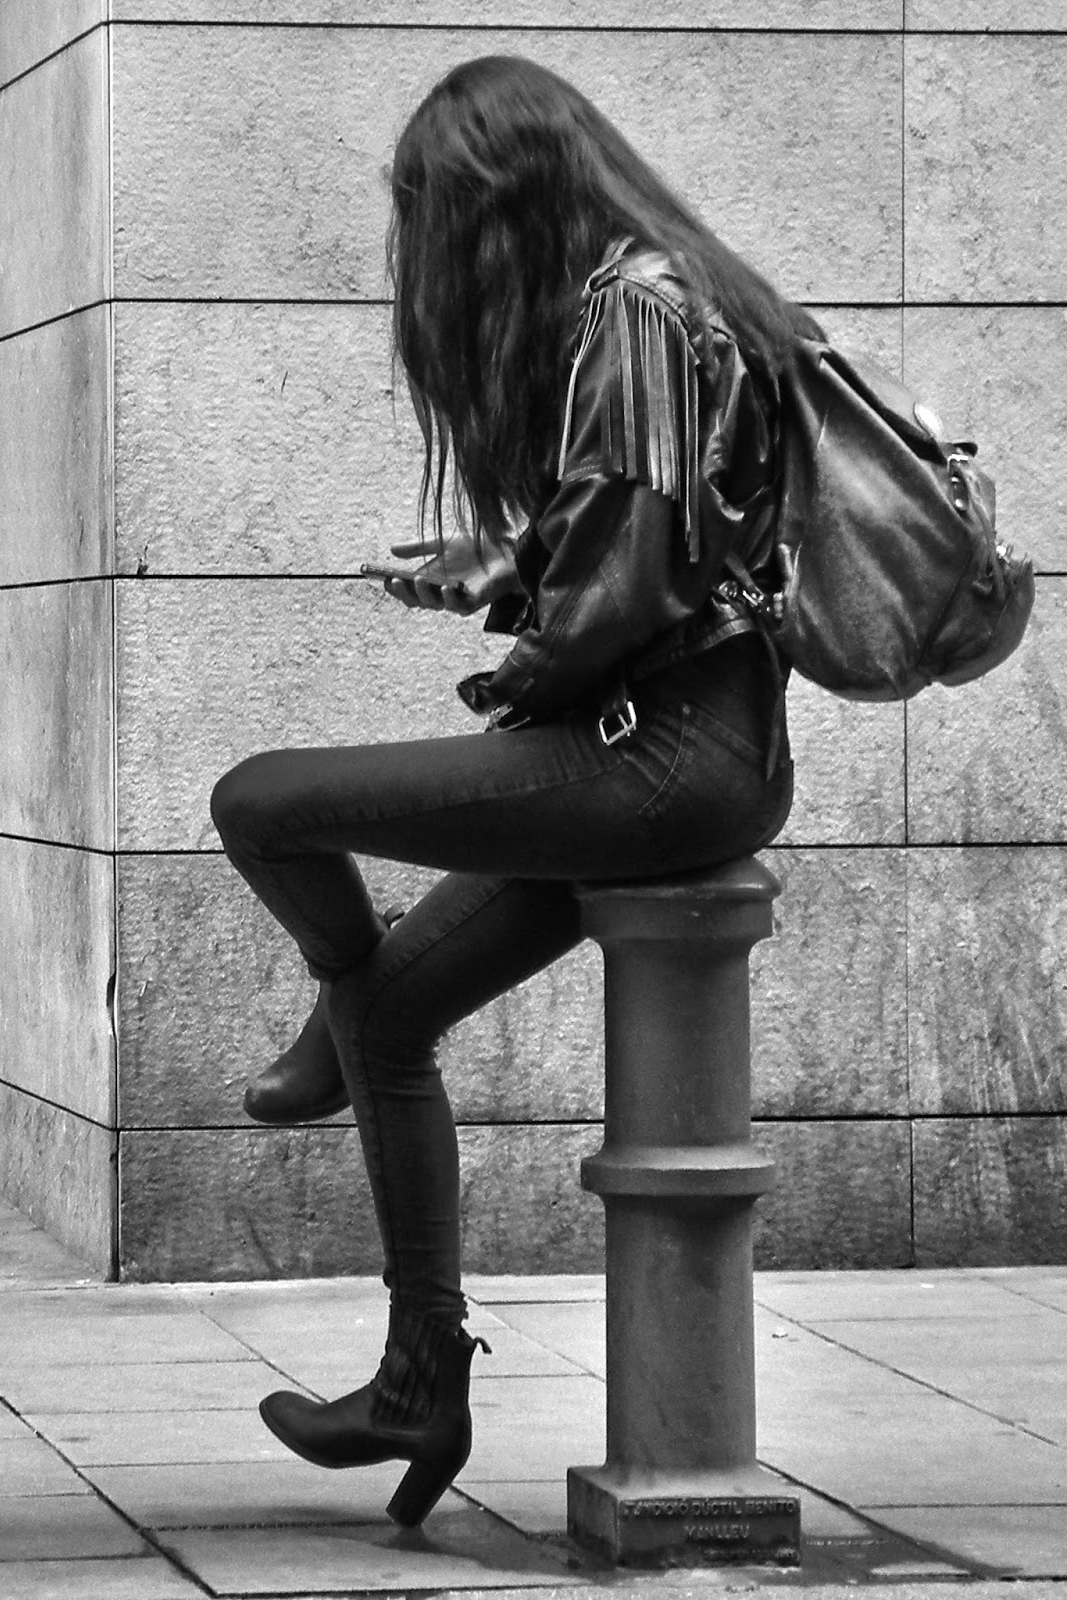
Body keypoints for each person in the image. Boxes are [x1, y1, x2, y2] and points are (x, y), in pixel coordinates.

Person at [209, 54, 819, 1527]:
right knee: (392, 1016)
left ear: (499, 203)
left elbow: (617, 592)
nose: (424, 254)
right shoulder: (675, 295)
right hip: (685, 750)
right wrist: (498, 566)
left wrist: (520, 666)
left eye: (431, 216)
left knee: (260, 801)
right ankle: (419, 1381)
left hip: (656, 759)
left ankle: (334, 1001)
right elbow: (648, 539)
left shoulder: (633, 310)